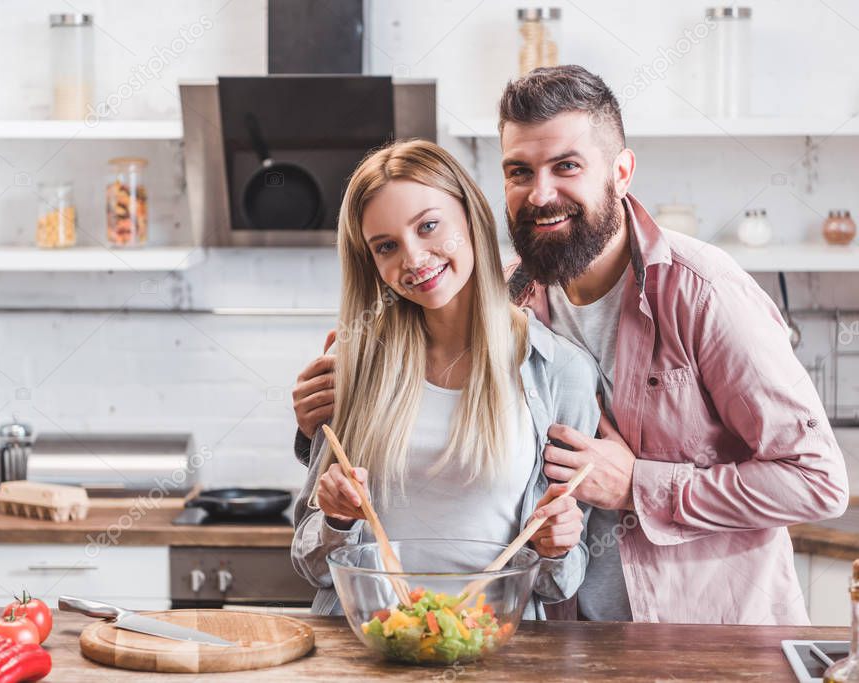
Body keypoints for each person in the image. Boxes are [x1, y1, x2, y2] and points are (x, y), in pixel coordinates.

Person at [293, 66, 850, 624]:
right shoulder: (511, 294)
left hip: (698, 636)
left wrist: (638, 484)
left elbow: (817, 482)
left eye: (566, 166)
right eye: (519, 171)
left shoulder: (702, 291)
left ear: (621, 172)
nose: (541, 193)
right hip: (568, 638)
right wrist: (321, 417)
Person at [290, 139, 603, 618]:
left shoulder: (561, 372)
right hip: (370, 647)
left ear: (470, 217)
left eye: (429, 226)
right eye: (387, 246)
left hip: (490, 647)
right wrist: (334, 518)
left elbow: (555, 585)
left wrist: (557, 547)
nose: (413, 259)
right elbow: (313, 565)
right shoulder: (355, 362)